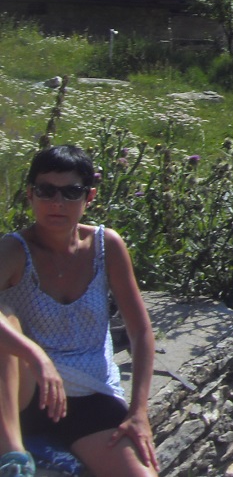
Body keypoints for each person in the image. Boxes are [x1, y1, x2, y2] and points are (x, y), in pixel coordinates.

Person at [0, 145, 158, 477]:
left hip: (89, 391)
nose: (56, 202)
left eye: (71, 192)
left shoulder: (106, 246)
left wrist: (139, 411)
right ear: (30, 194)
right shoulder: (15, 249)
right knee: (5, 316)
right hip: (27, 391)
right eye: (45, 190)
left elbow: (140, 331)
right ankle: (13, 456)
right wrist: (36, 356)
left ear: (89, 197)